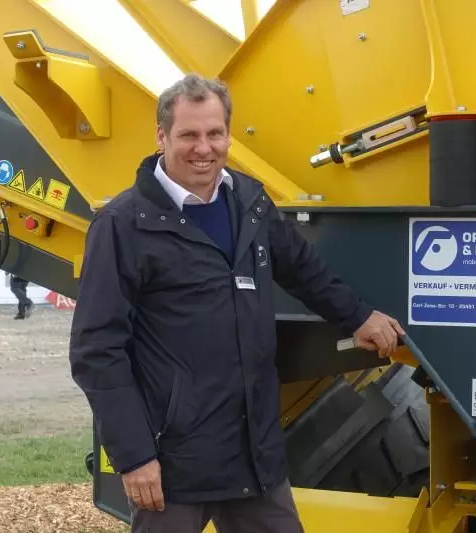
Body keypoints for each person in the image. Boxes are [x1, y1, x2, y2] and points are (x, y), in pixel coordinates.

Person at [69, 73, 405, 533]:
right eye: (188, 135)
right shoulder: (122, 226)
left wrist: (359, 316)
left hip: (254, 457)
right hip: (174, 465)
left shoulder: (249, 201)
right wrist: (134, 456)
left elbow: (304, 270)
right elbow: (96, 352)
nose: (203, 148)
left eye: (214, 133)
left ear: (228, 134)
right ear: (162, 136)